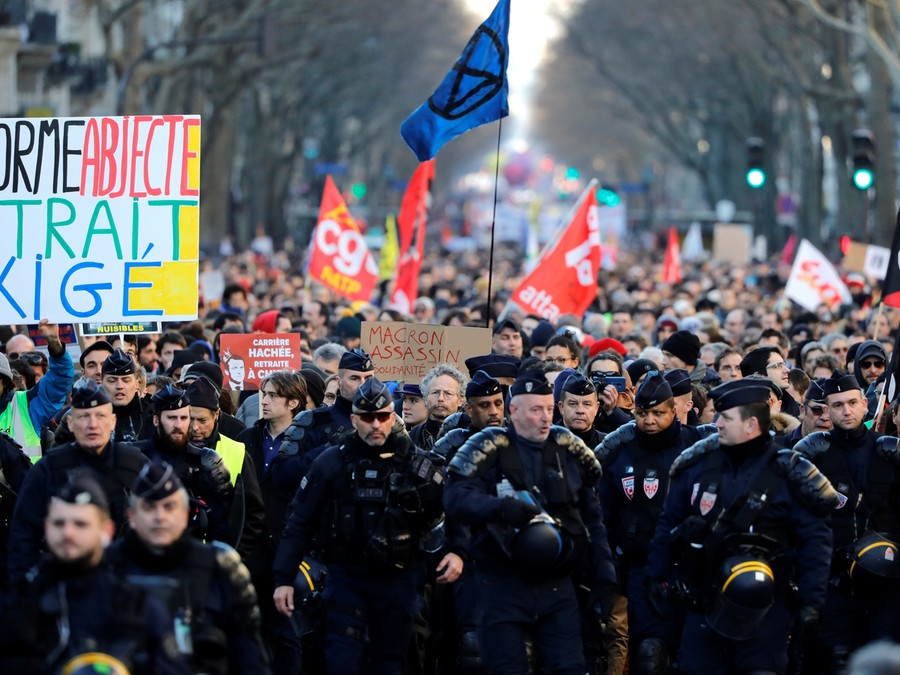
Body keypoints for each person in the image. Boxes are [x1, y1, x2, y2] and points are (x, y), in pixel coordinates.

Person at [644, 379, 836, 674]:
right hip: (704, 606)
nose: (717, 424)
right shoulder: (697, 466)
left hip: (765, 614)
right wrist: (656, 575)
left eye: (727, 418)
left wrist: (811, 604)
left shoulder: (789, 474)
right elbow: (668, 522)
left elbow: (815, 543)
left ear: (751, 425)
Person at [273, 378, 453, 674]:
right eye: (368, 417)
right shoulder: (331, 462)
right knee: (342, 660)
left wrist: (454, 552)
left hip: (399, 580)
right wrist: (282, 579)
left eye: (383, 416)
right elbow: (299, 522)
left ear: (392, 417)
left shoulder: (415, 464)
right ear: (354, 418)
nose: (375, 425)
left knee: (390, 664)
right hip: (346, 578)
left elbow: (448, 511)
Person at [443, 371, 618, 674]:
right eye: (536, 410)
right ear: (513, 411)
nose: (545, 418)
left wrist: (604, 575)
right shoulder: (489, 448)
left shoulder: (568, 451)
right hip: (502, 584)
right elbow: (456, 497)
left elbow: (593, 520)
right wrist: (499, 508)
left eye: (549, 409)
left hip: (557, 587)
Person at [0, 474, 186, 674]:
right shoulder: (18, 600)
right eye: (59, 523)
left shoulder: (137, 607)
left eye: (81, 524)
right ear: (46, 528)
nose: (68, 533)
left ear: (107, 531)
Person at [596, 372, 715, 674]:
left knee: (694, 656)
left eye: (658, 413)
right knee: (650, 653)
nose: (649, 420)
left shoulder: (698, 448)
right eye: (642, 413)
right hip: (643, 568)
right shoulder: (621, 450)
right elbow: (604, 514)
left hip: (694, 567)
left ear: (674, 411)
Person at [106, 462, 271, 674]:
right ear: (132, 516)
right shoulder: (107, 565)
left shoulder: (219, 566)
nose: (160, 517)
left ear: (185, 514)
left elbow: (250, 656)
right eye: (149, 507)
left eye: (169, 507)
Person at [795, 370, 900, 671]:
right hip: (835, 580)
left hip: (886, 581)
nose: (847, 411)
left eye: (852, 403)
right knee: (836, 658)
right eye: (838, 405)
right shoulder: (815, 454)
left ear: (865, 405)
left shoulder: (887, 451)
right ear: (826, 410)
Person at [7, 379, 148, 582]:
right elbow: (23, 535)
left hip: (124, 581)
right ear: (71, 423)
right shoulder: (48, 469)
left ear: (113, 421)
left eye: (100, 416)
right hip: (64, 581)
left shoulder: (135, 464)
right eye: (84, 417)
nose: (93, 425)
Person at [237, 371, 308, 675]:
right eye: (263, 394)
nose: (263, 401)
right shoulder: (245, 438)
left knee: (287, 634)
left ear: (293, 402)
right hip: (250, 551)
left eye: (272, 396)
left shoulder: (306, 442)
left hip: (288, 551)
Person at [136, 384, 234, 543]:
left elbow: (224, 523)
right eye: (171, 418)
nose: (178, 425)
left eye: (183, 418)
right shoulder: (137, 457)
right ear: (156, 420)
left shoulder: (206, 462)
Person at [184, 375, 265, 558]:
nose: (195, 427)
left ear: (217, 415)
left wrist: (237, 556)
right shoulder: (172, 447)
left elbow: (252, 514)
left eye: (202, 421)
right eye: (190, 419)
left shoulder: (236, 451)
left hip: (222, 555)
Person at [0, 319, 74, 461]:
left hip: (27, 483)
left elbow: (60, 379)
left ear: (3, 380)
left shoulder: (26, 405)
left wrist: (55, 344)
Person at [410, 364, 467, 452]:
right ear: (425, 398)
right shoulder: (414, 435)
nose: (440, 398)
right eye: (435, 392)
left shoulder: (469, 435)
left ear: (460, 400)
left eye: (448, 393)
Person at [101, 348, 151, 442]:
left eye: (126, 380)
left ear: (136, 384)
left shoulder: (151, 413)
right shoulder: (91, 415)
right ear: (101, 384)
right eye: (112, 380)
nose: (119, 386)